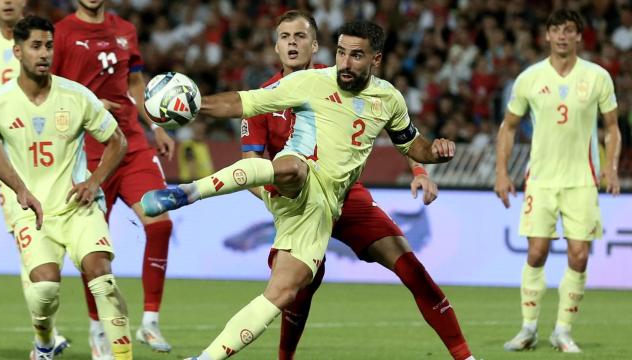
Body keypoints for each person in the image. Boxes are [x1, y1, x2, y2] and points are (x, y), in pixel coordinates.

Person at [143, 20, 476, 360]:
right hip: (292, 188)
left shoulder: (388, 99)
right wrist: (197, 105)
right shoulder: (304, 83)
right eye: (342, 53)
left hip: (339, 198)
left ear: (375, 60)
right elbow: (242, 105)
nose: (345, 63)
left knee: (290, 290)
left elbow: (412, 145)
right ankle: (189, 192)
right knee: (293, 168)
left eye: (355, 56)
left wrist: (431, 157)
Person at [240, 10, 471, 360]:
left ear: (316, 46)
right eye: (285, 36)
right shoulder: (261, 98)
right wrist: (277, 202)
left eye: (300, 36)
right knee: (299, 289)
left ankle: (465, 356)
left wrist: (420, 171)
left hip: (348, 198)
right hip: (300, 207)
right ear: (275, 46)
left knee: (410, 266)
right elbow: (249, 166)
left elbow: (398, 129)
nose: (292, 43)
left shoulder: (340, 81)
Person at [0, 15, 133, 360]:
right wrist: (20, 189)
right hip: (30, 209)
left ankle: (122, 356)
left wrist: (94, 181)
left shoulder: (76, 96)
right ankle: (44, 342)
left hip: (78, 207)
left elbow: (117, 141)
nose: (44, 53)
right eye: (35, 46)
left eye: (49, 46)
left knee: (102, 277)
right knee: (44, 287)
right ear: (18, 51)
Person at [51, 0, 176, 356]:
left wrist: (155, 125)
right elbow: (53, 87)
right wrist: (88, 104)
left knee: (160, 224)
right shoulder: (62, 33)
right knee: (94, 247)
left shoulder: (125, 30)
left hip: (132, 143)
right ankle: (98, 329)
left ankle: (150, 322)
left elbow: (135, 82)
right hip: (90, 149)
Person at [495, 9, 620, 353]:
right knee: (536, 251)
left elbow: (611, 127)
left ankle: (562, 330)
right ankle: (528, 328)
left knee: (579, 256)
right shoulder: (530, 78)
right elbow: (507, 126)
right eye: (556, 30)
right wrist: (502, 172)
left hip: (582, 180)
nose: (562, 36)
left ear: (580, 36)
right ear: (547, 35)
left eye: (569, 30)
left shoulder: (597, 77)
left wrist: (611, 167)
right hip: (541, 180)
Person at [0, 0, 71, 355]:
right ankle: (44, 339)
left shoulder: (46, 46)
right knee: (33, 251)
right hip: (7, 164)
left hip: (52, 166)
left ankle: (45, 337)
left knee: (41, 258)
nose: (7, 1)